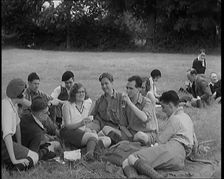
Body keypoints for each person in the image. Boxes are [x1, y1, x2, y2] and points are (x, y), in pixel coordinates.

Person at [122, 90, 197, 178]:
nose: (162, 110)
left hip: (173, 150)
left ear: (170, 105)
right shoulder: (187, 117)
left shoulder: (175, 119)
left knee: (131, 158)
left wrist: (149, 149)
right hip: (180, 159)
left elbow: (160, 141)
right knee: (133, 162)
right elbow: (195, 143)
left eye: (163, 107)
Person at [2, 78, 39, 171]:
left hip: (7, 141)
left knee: (32, 151)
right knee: (34, 157)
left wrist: (19, 145)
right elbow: (7, 135)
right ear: (17, 93)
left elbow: (17, 125)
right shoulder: (6, 107)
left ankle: (8, 163)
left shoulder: (13, 103)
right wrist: (14, 159)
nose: (24, 94)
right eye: (23, 92)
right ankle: (13, 168)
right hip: (3, 143)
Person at [60, 83, 98, 161]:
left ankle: (81, 151)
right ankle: (89, 155)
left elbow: (85, 124)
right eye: (79, 92)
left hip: (81, 131)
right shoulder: (67, 105)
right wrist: (81, 123)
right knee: (93, 137)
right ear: (73, 94)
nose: (81, 94)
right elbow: (67, 126)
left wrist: (89, 129)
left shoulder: (87, 104)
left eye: (83, 92)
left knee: (106, 139)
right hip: (68, 131)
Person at [88, 73, 129, 146]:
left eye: (106, 83)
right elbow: (92, 115)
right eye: (102, 84)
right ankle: (95, 141)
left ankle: (97, 142)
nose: (104, 86)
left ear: (112, 83)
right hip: (101, 127)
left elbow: (127, 118)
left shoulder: (121, 98)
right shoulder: (100, 100)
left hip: (116, 129)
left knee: (106, 131)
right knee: (88, 129)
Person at [20, 96, 61, 161]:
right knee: (55, 147)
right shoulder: (36, 132)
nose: (49, 113)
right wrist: (48, 149)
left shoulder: (26, 116)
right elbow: (33, 157)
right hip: (24, 152)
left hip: (21, 145)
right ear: (40, 115)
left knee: (55, 143)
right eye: (46, 112)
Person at [122, 75, 158, 146]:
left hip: (147, 133)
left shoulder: (146, 102)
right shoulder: (124, 102)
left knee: (140, 136)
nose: (128, 91)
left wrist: (129, 103)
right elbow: (123, 124)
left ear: (138, 89)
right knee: (108, 130)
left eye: (131, 88)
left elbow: (144, 118)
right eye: (127, 88)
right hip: (132, 132)